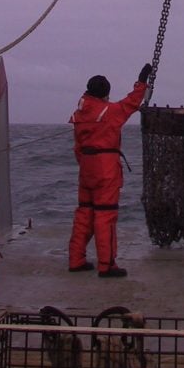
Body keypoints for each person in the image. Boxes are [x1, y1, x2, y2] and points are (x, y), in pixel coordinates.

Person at [68, 63, 151, 277]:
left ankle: (76, 259)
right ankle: (107, 265)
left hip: (86, 167)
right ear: (106, 93)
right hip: (105, 168)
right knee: (106, 216)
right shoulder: (110, 111)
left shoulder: (79, 113)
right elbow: (132, 102)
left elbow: (77, 147)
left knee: (84, 213)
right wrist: (142, 81)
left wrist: (86, 165)